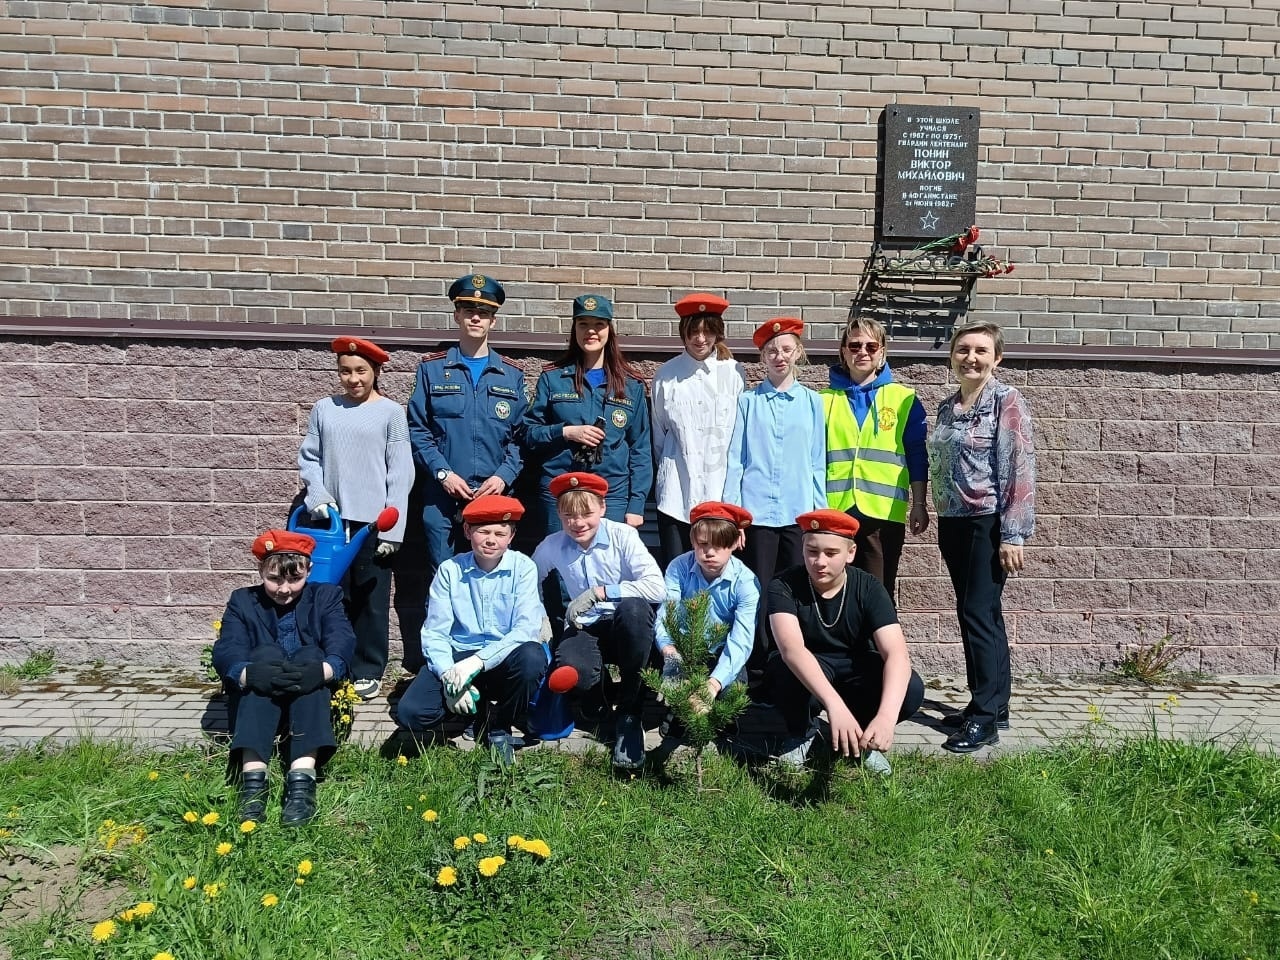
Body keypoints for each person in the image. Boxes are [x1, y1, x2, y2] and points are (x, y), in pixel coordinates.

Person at [928, 320, 1035, 754]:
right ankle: (992, 703)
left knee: (977, 613)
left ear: (996, 358)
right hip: (953, 522)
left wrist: (1013, 534)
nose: (970, 358)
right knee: (980, 613)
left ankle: (985, 719)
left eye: (980, 351)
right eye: (963, 350)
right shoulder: (947, 407)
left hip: (986, 522)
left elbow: (1018, 466)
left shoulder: (1006, 400)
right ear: (952, 355)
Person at [212, 530, 356, 826]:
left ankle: (301, 780)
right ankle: (253, 781)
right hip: (262, 692)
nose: (284, 589)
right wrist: (247, 672)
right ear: (261, 571)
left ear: (309, 570)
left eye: (295, 579)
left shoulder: (326, 596)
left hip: (308, 691)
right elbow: (228, 646)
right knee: (263, 655)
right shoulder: (242, 600)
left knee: (311, 656)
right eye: (274, 579)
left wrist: (324, 670)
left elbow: (341, 638)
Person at [765, 509, 924, 775]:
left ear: (850, 553)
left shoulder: (869, 587)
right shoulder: (784, 585)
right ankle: (802, 733)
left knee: (910, 689)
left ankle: (864, 736)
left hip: (855, 667)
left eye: (831, 553)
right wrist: (834, 706)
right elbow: (792, 649)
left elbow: (897, 654)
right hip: (809, 667)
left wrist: (886, 717)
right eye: (812, 551)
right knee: (782, 671)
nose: (820, 562)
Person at [298, 336, 413, 701]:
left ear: (375, 371)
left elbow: (401, 471)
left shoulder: (391, 413)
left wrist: (392, 529)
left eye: (361, 371)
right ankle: (335, 663)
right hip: (330, 522)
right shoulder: (324, 409)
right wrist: (317, 495)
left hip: (372, 524)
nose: (353, 379)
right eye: (345, 371)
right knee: (331, 595)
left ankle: (368, 668)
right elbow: (309, 458)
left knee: (370, 598)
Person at [395, 495, 547, 766]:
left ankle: (500, 726)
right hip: (459, 656)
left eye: (500, 533)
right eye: (483, 532)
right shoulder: (450, 570)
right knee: (411, 713)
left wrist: (478, 662)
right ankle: (472, 710)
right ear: (467, 531)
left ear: (511, 536)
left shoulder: (523, 568)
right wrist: (448, 677)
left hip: (502, 657)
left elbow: (525, 629)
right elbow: (435, 632)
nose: (491, 540)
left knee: (532, 658)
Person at [531, 472, 665, 771]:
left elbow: (657, 588)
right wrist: (538, 616)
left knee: (634, 609)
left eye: (586, 514)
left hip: (625, 624)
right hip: (586, 624)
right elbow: (528, 580)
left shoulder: (623, 535)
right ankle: (597, 693)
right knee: (572, 670)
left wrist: (601, 592)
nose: (578, 523)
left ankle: (630, 712)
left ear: (602, 508)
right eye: (569, 516)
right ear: (559, 514)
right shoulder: (552, 545)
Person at [406, 273, 528, 586]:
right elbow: (418, 430)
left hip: (494, 491)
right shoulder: (431, 369)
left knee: (494, 576)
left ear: (493, 321)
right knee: (442, 576)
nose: (476, 317)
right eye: (469, 310)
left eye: (484, 313)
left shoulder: (511, 375)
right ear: (457, 315)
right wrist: (443, 474)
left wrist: (503, 477)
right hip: (443, 494)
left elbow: (521, 437)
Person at [723, 317, 826, 671]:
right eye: (771, 351)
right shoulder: (748, 402)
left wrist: (819, 516)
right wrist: (735, 517)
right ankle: (756, 667)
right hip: (757, 516)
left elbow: (817, 462)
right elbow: (736, 461)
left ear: (798, 352)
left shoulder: (812, 403)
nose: (779, 357)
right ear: (763, 357)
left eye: (786, 349)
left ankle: (791, 665)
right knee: (759, 590)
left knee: (795, 591)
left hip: (798, 514)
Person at [821, 316, 930, 603]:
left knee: (878, 595)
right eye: (854, 346)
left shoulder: (904, 399)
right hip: (835, 511)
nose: (862, 352)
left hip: (883, 513)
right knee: (834, 593)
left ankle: (880, 637)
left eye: (871, 346)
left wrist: (919, 504)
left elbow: (917, 456)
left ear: (882, 352)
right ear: (843, 351)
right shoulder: (821, 401)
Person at [522, 294, 652, 534]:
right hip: (561, 488)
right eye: (583, 324)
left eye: (598, 324)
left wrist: (637, 503)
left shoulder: (630, 385)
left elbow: (640, 449)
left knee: (607, 557)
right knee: (560, 558)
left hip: (611, 494)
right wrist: (566, 432)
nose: (591, 331)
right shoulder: (553, 378)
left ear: (609, 329)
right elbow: (529, 434)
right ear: (574, 329)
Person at [651, 293, 746, 566]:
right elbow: (659, 435)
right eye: (694, 331)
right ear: (684, 332)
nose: (700, 339)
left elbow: (738, 435)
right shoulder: (666, 375)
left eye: (708, 331)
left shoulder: (733, 372)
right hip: (675, 494)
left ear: (718, 332)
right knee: (677, 568)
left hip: (719, 491)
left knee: (717, 568)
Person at [653, 501, 758, 714]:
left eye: (718, 546)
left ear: (734, 543)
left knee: (732, 694)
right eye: (702, 544)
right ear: (693, 541)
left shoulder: (746, 582)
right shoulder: (678, 567)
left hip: (722, 650)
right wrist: (670, 654)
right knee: (676, 707)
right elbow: (666, 614)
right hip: (682, 648)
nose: (709, 553)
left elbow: (741, 639)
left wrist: (714, 684)